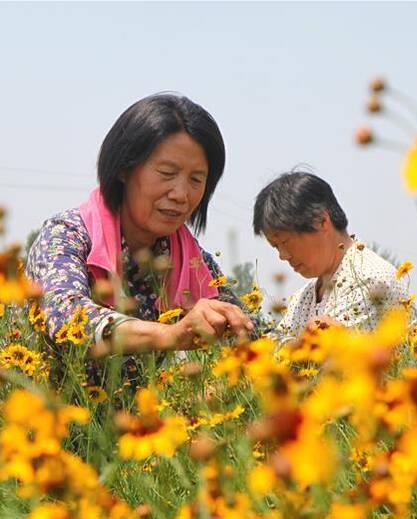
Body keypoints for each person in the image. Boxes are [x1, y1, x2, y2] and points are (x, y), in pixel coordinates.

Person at [26, 93, 257, 370]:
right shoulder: (67, 235)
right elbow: (68, 318)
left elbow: (252, 339)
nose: (181, 194)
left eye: (196, 179)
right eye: (167, 173)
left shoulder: (194, 263)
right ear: (125, 168)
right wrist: (172, 335)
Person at [253, 171, 412, 338]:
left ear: (321, 221)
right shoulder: (303, 298)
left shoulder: (369, 280)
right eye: (276, 247)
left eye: (285, 242)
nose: (283, 256)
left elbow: (313, 357)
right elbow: (278, 352)